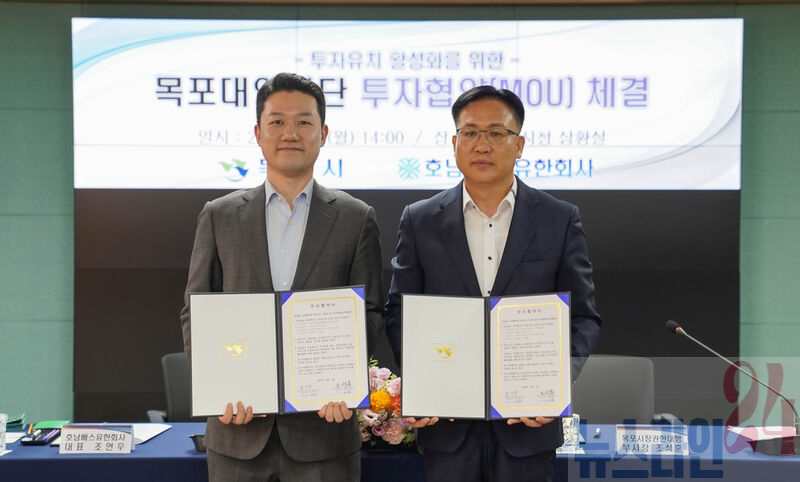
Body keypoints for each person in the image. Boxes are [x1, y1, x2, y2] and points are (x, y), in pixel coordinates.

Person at [385, 85, 602, 482]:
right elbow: (400, 311)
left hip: (528, 427)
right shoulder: (420, 219)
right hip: (448, 426)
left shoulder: (558, 218)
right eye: (470, 132)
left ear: (519, 145)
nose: (482, 144)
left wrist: (554, 386)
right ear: (454, 143)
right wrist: (425, 380)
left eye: (496, 133)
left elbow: (583, 317)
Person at [180, 72, 384, 482]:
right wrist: (219, 389)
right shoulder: (219, 215)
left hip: (324, 436)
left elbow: (371, 313)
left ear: (323, 134)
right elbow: (196, 314)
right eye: (277, 122)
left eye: (304, 122)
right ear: (258, 133)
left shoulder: (355, 217)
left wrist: (344, 384)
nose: (290, 133)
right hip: (237, 435)